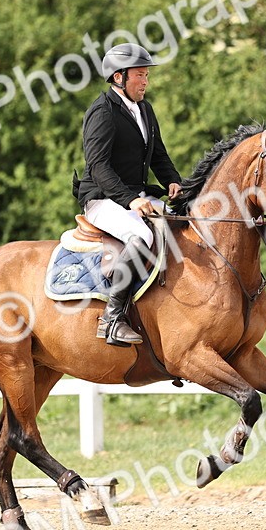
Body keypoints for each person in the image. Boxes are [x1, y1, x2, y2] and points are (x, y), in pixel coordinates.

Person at [75, 43, 183, 347]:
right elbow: (98, 167)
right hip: (103, 198)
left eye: (146, 75)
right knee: (142, 236)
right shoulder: (102, 112)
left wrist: (173, 181)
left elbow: (159, 155)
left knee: (182, 227)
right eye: (140, 75)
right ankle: (112, 319)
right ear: (119, 77)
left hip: (136, 196)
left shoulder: (145, 110)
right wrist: (130, 200)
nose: (146, 81)